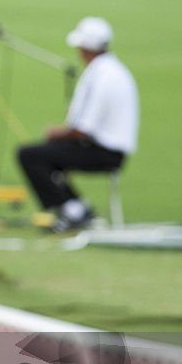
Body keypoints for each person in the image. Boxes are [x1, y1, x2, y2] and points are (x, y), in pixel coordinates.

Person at [17, 16, 139, 233]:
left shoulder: (101, 76)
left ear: (85, 48)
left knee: (30, 155)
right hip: (109, 148)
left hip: (103, 151)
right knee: (47, 154)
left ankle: (74, 211)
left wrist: (58, 134)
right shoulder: (113, 70)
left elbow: (83, 129)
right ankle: (76, 207)